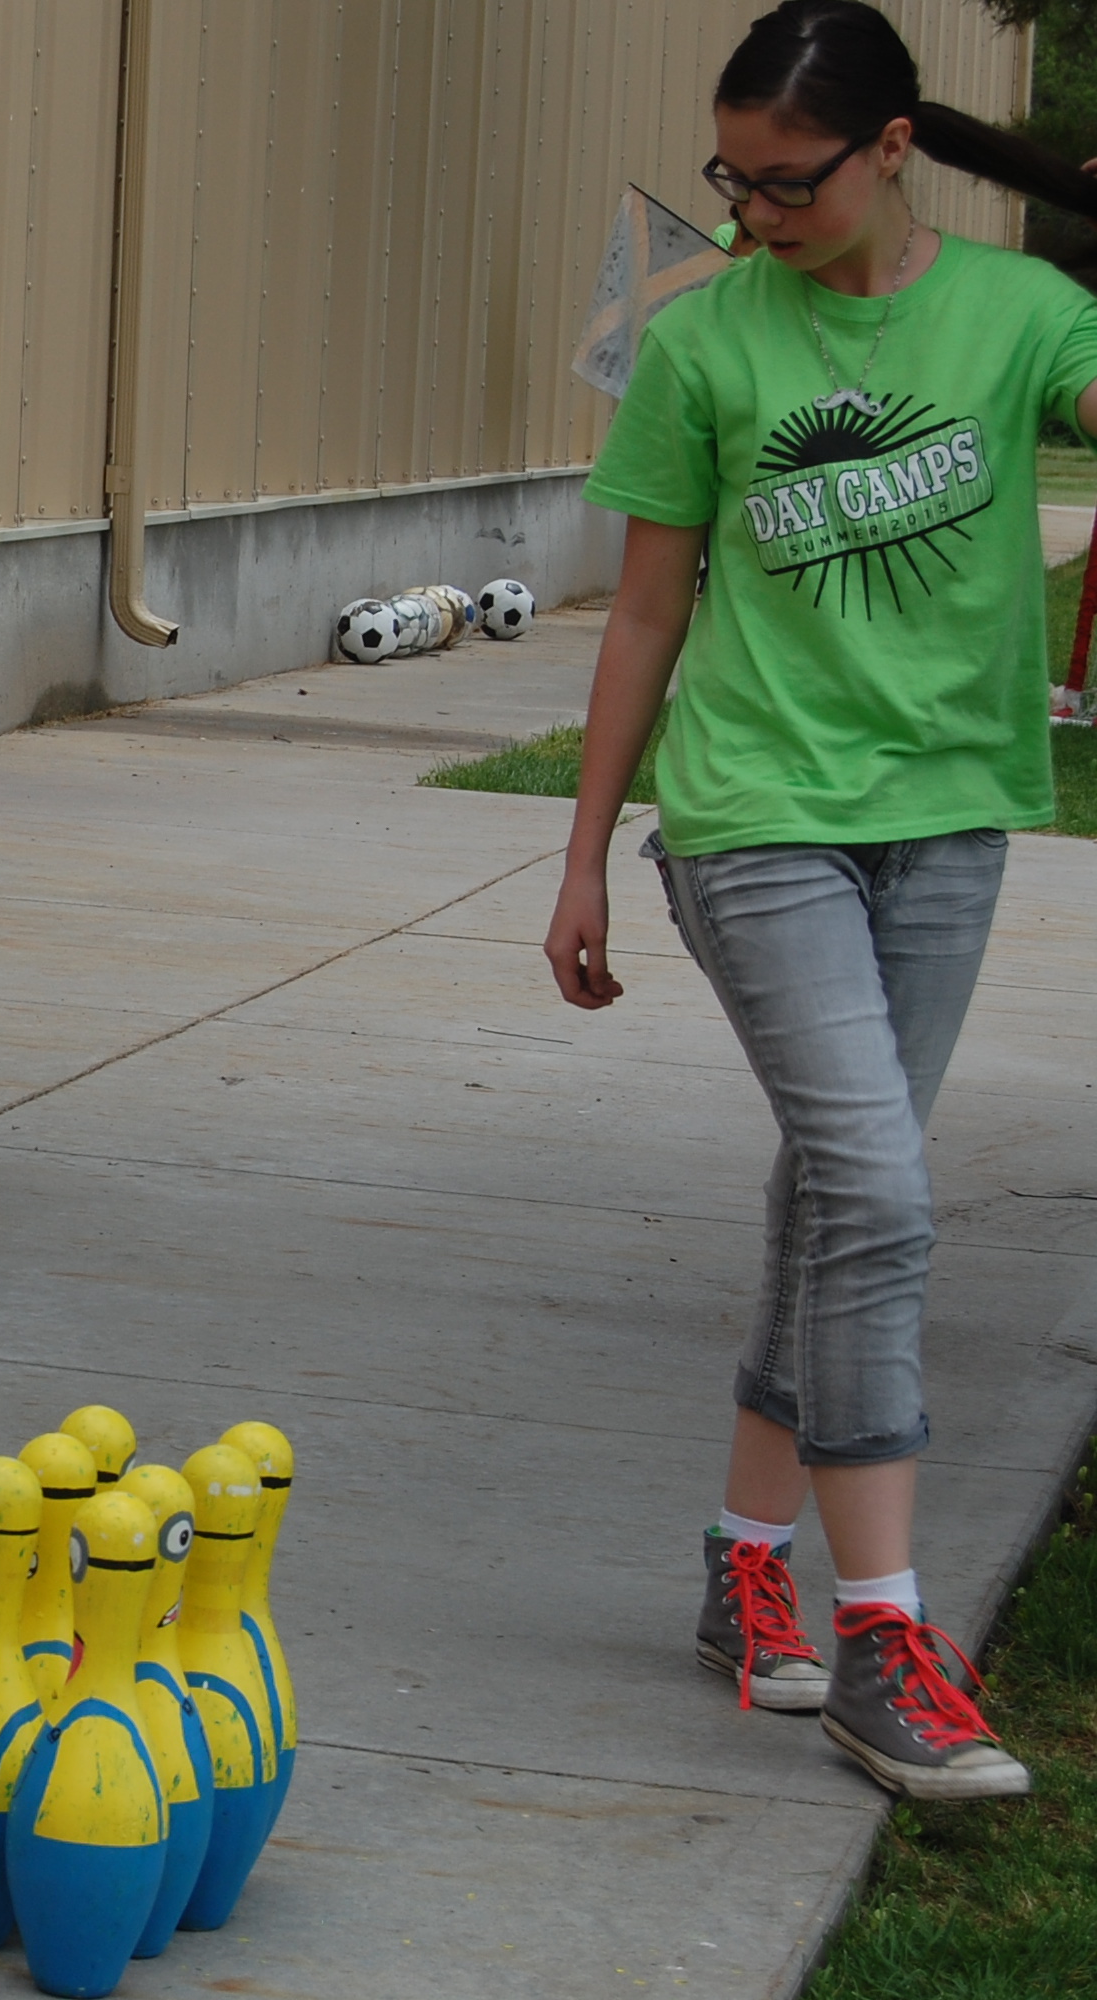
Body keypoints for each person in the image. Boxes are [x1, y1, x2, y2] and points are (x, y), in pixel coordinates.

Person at [546, 0, 1097, 1802]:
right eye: (732, 181)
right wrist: (578, 860)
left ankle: (739, 1560)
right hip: (751, 811)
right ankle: (882, 1637)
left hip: (946, 823)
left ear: (888, 150)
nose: (750, 216)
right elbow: (641, 611)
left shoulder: (1020, 319)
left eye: (782, 184)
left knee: (832, 1196)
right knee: (876, 1184)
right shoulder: (706, 343)